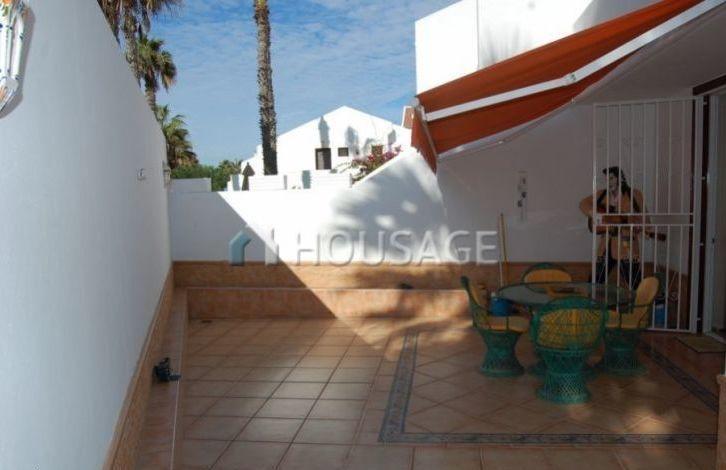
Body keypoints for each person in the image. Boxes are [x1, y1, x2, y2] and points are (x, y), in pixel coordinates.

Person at [579, 166, 645, 289]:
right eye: (607, 179)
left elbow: (644, 219)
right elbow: (583, 204)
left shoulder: (634, 194)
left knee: (634, 281)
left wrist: (639, 226)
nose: (609, 182)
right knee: (595, 281)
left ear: (620, 178)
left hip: (627, 246)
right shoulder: (602, 194)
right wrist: (597, 215)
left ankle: (643, 301)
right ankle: (591, 301)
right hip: (606, 245)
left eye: (611, 178)